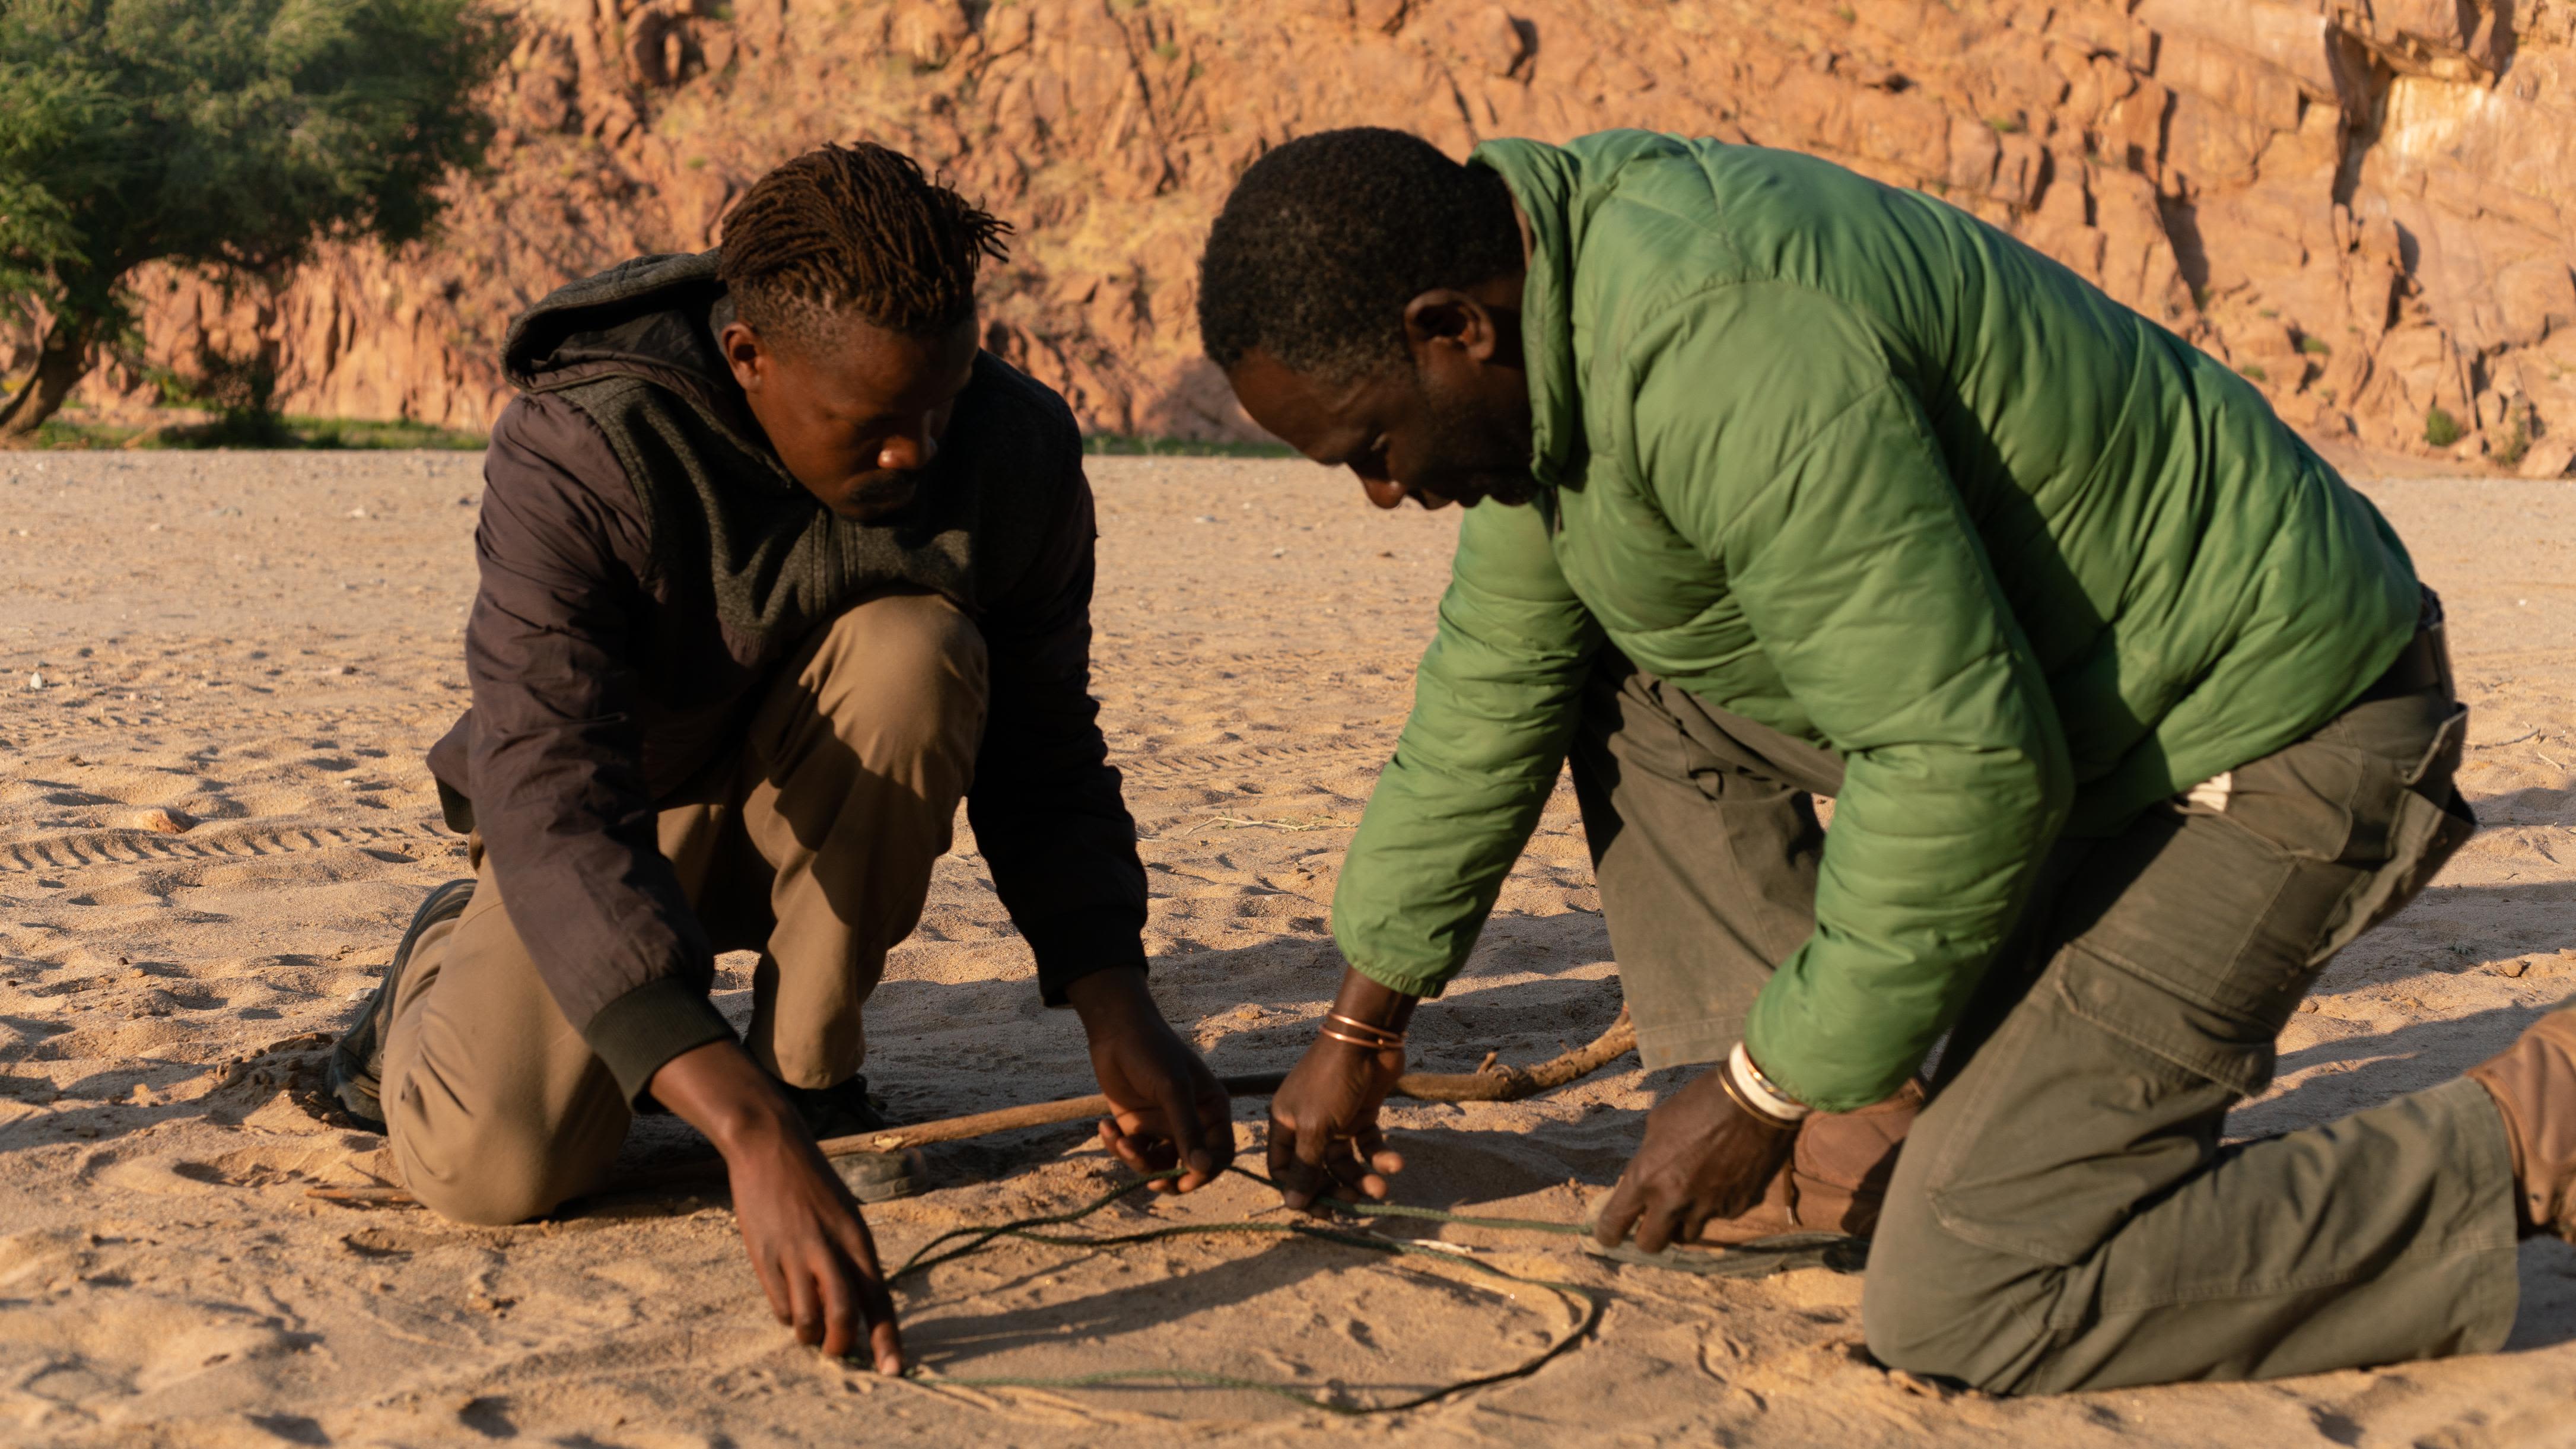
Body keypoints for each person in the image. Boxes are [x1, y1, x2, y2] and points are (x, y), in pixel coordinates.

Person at [1195, 126, 2575, 1394]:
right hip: (2084, 725)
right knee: (1614, 661)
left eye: (1374, 449)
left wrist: (1754, 1089)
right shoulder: (1552, 336)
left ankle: (2525, 1131)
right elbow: (1493, 687)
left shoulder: (1714, 345)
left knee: (1969, 1296)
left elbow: (1959, 762)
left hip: (2278, 728)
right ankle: (1846, 1122)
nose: (1386, 497)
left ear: (1451, 331)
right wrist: (1358, 1025)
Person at [326, 142, 1233, 1375]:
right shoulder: (584, 445)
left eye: (942, 403)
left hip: (812, 816)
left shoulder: (1012, 451)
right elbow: (551, 790)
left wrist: (1116, 1005)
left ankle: (810, 1073)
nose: (916, 452)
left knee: (915, 653)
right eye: (871, 424)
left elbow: (1045, 750)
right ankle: (437, 973)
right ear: (748, 359)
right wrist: (739, 1138)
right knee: (499, 1171)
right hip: (609, 834)